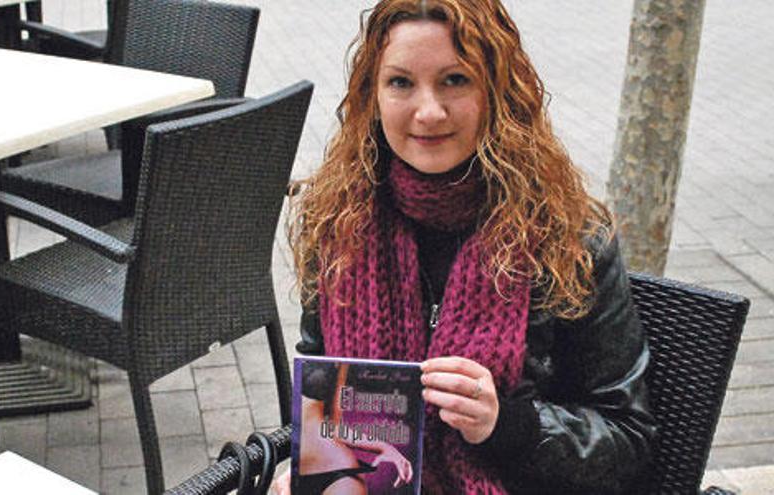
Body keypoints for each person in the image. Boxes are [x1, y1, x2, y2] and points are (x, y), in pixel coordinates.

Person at [274, 0, 655, 493]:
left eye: (455, 80)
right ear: (372, 96)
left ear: (497, 91)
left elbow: (631, 441)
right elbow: (318, 398)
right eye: (401, 82)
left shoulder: (572, 237)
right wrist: (305, 468)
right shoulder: (336, 224)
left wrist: (510, 426)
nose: (428, 112)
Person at [295, 361, 414, 494]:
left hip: (335, 468)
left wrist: (386, 448)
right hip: (299, 463)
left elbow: (335, 427)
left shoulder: (341, 359)